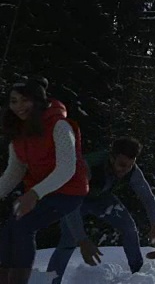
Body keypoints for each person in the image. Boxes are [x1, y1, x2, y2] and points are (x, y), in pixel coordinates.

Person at [0, 77, 89, 284]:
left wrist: (34, 193)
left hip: (70, 191)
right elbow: (14, 171)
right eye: (14, 101)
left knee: (23, 226)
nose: (19, 107)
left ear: (38, 100)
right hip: (42, 190)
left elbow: (67, 168)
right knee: (7, 230)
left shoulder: (59, 125)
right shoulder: (18, 132)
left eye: (25, 100)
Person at [46, 136, 155, 284]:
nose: (125, 170)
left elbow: (147, 196)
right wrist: (82, 239)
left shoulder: (132, 171)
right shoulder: (88, 167)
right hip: (73, 199)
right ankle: (50, 281)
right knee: (68, 240)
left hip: (101, 198)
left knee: (129, 228)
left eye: (130, 166)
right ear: (111, 158)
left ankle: (137, 276)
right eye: (121, 165)